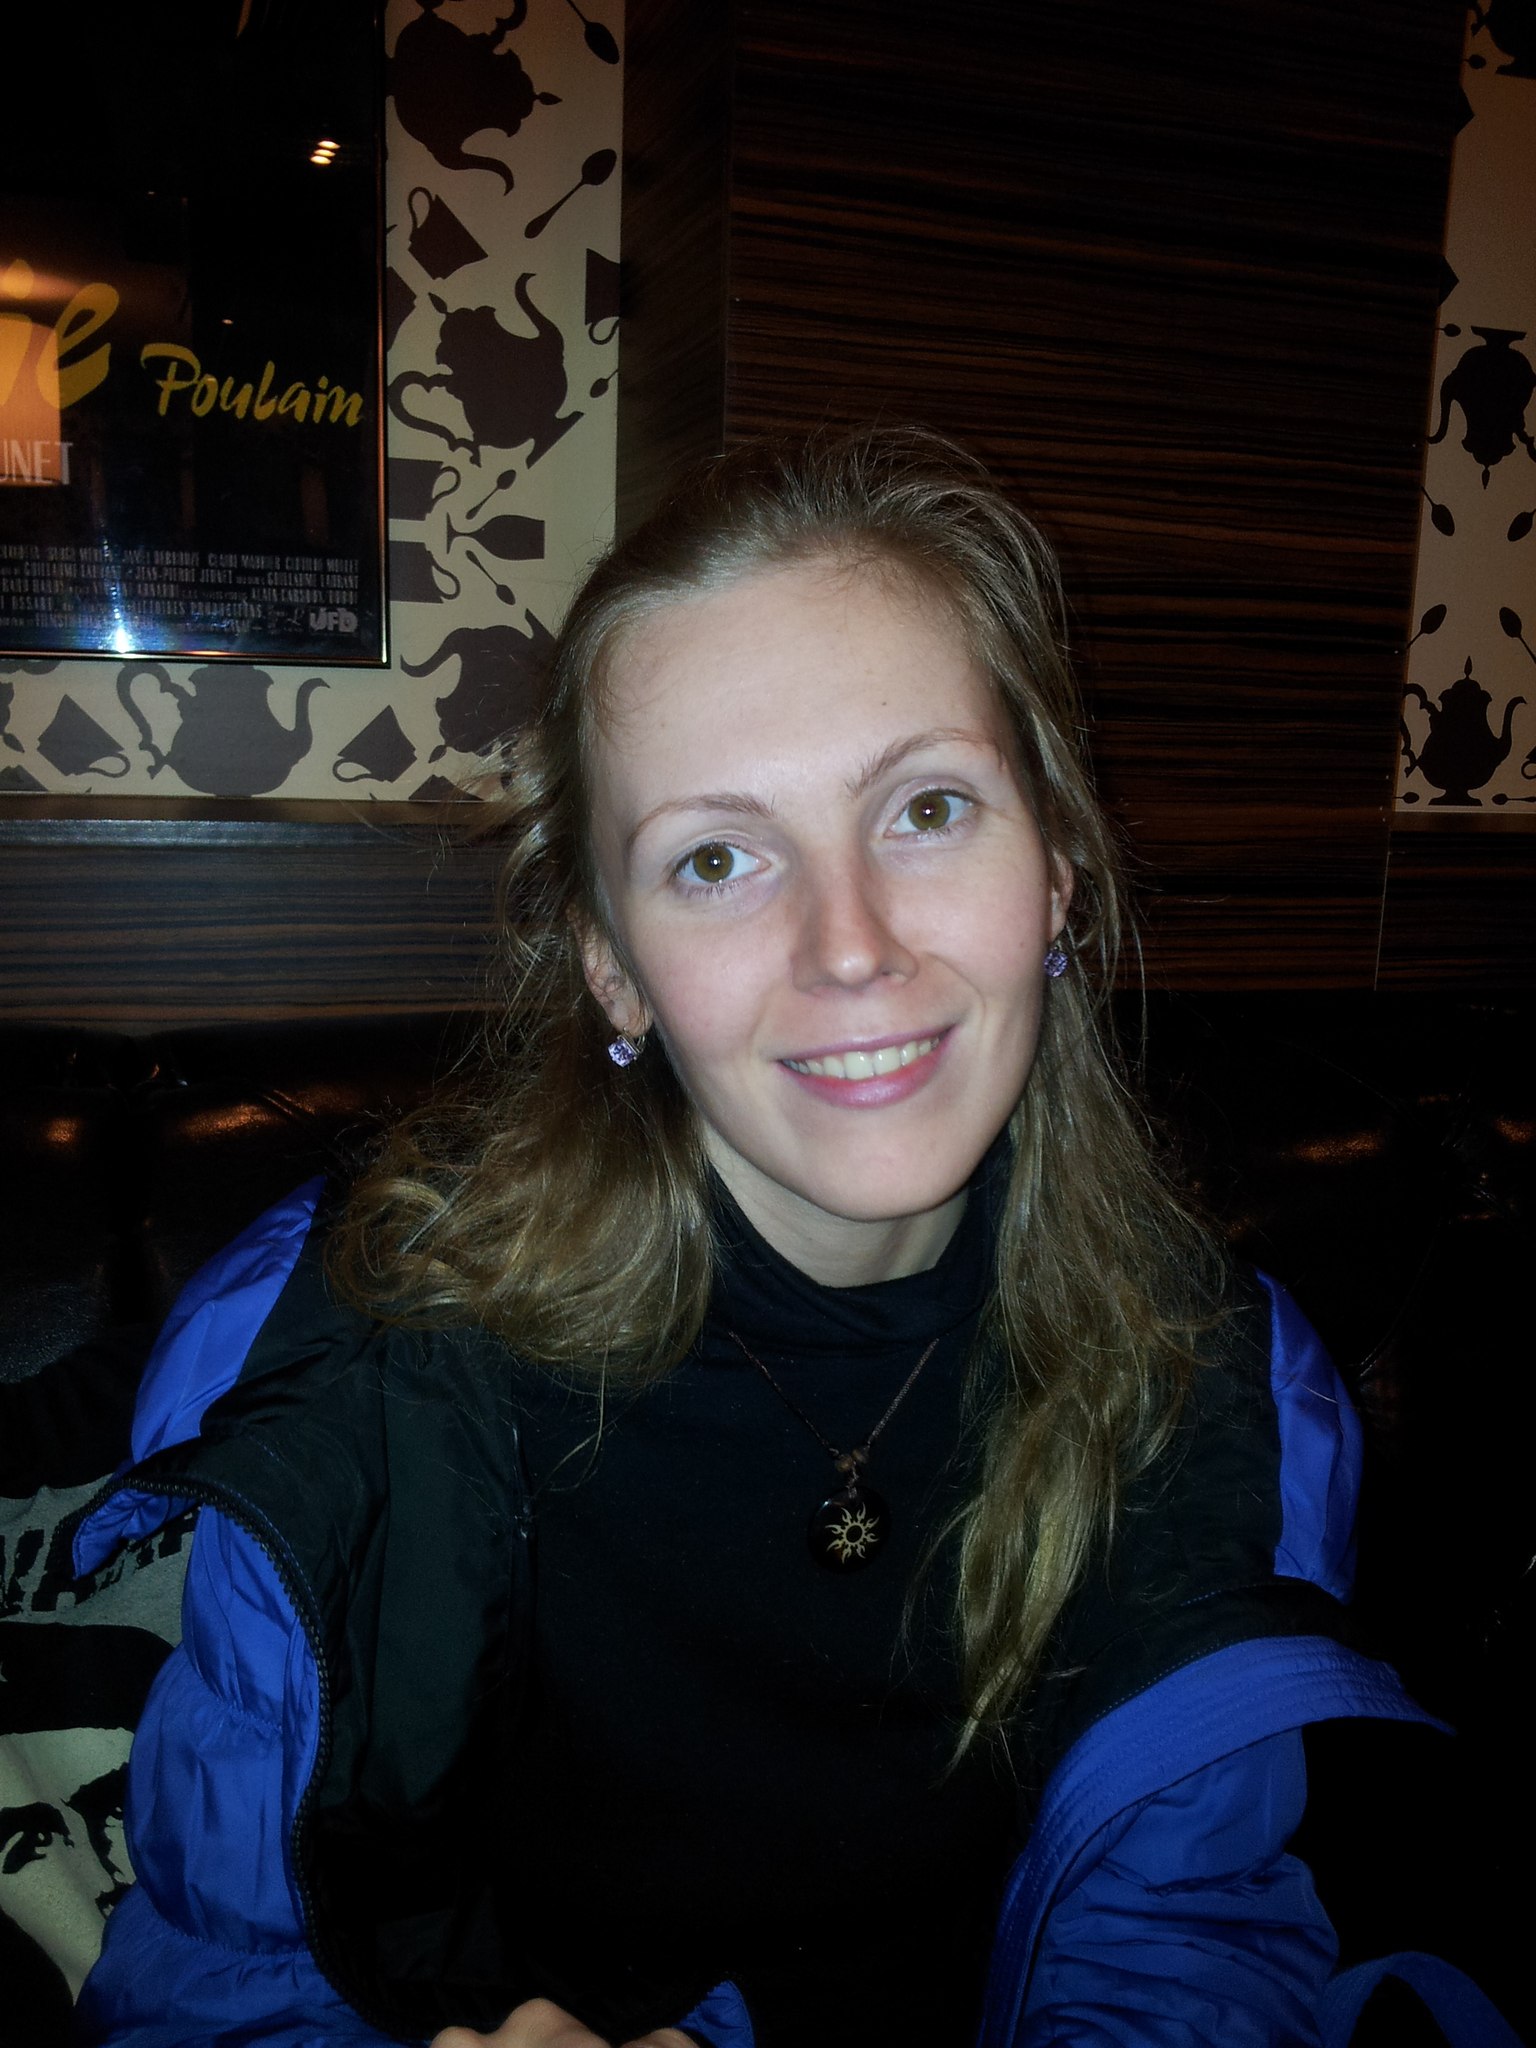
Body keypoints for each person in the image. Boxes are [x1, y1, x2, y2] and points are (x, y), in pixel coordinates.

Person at [69, 429, 1513, 2048]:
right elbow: (229, 1985)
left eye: (928, 808)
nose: (851, 947)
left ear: (1058, 872)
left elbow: (1180, 1947)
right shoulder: (370, 1372)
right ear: (613, 968)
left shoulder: (1217, 1386)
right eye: (716, 858)